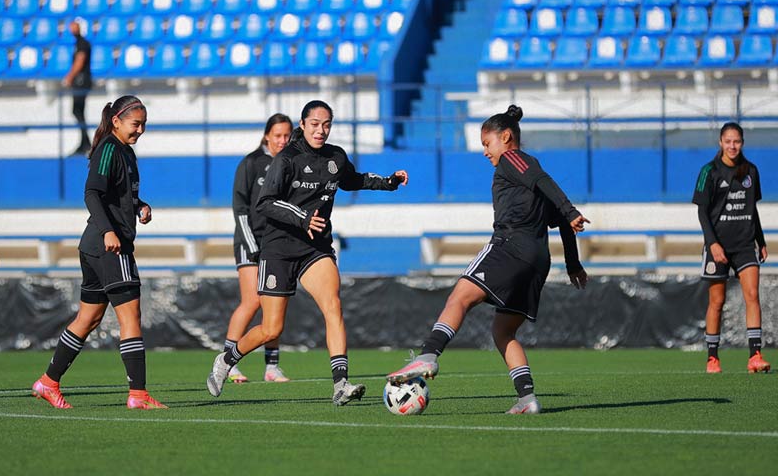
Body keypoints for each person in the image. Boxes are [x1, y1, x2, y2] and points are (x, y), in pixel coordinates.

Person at [386, 105, 589, 415]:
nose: (484, 152)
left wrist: (571, 209)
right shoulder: (529, 180)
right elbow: (559, 218)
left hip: (510, 245)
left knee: (460, 296)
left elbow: (548, 186)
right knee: (504, 331)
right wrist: (573, 263)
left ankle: (428, 355)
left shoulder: (513, 160)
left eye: (486, 144)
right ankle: (527, 399)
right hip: (537, 259)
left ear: (506, 137)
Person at [206, 100, 408, 406]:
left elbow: (354, 180)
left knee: (333, 305)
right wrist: (302, 217)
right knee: (272, 328)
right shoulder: (286, 159)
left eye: (326, 124)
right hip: (278, 249)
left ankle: (340, 384)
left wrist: (389, 183)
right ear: (303, 124)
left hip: (315, 247)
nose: (321, 130)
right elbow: (265, 202)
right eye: (314, 124)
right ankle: (226, 359)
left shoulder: (336, 156)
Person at [32, 95, 167, 410]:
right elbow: (92, 192)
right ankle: (138, 394)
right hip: (108, 244)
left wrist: (139, 206)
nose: (140, 130)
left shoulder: (125, 153)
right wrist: (109, 230)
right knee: (131, 316)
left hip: (96, 244)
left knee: (88, 318)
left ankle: (47, 382)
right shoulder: (109, 148)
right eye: (136, 124)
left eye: (144, 124)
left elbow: (117, 196)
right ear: (117, 121)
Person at [693, 122, 769, 374]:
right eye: (728, 141)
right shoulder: (709, 171)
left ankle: (755, 356)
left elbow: (752, 209)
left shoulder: (751, 171)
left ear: (742, 143)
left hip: (745, 244)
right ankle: (712, 358)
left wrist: (761, 240)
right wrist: (712, 243)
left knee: (752, 296)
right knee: (717, 301)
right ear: (720, 142)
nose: (732, 145)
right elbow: (702, 212)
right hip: (719, 247)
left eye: (736, 141)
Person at [224, 114, 294, 384]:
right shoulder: (251, 163)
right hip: (250, 242)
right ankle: (228, 362)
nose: (282, 141)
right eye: (277, 135)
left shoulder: (291, 163)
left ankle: (272, 367)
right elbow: (240, 208)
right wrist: (252, 246)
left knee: (273, 306)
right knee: (252, 301)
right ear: (267, 135)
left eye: (287, 136)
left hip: (276, 245)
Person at [61, 19, 93, 155]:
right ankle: (85, 142)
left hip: (81, 81)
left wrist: (70, 76)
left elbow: (80, 61)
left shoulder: (82, 44)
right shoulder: (78, 43)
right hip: (80, 81)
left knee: (77, 110)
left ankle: (86, 143)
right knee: (78, 111)